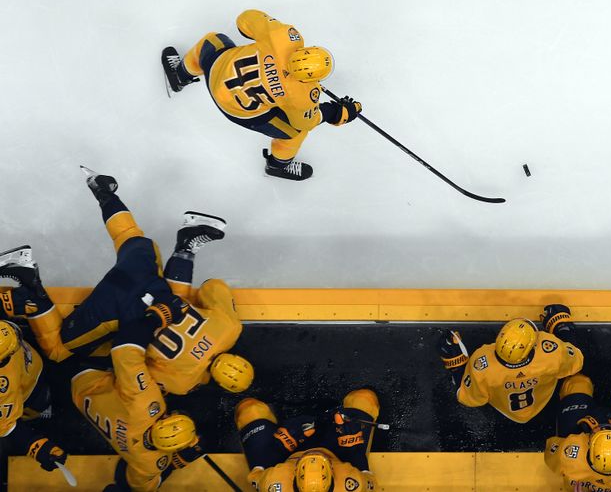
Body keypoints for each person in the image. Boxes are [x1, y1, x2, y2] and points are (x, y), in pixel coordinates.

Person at [1, 168, 253, 395]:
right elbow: (130, 362)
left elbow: (212, 286)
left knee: (129, 237)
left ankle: (104, 191)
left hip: (147, 278)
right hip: (118, 309)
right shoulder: (183, 382)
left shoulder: (230, 329)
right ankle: (29, 284)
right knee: (57, 350)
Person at [162, 9, 363, 181]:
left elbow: (244, 20)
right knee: (294, 132)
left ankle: (180, 76)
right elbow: (307, 122)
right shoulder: (303, 94)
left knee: (212, 40)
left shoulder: (283, 37)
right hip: (237, 110)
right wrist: (337, 113)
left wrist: (267, 34)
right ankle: (278, 165)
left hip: (218, 69)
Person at [70, 314, 204, 491]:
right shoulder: (152, 463)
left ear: (164, 420)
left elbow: (124, 348)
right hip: (79, 400)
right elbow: (132, 484)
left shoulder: (145, 402)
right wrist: (173, 464)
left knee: (160, 369)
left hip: (86, 374)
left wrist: (157, 317)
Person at [438, 304, 584, 423]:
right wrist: (560, 325)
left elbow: (467, 397)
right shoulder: (551, 352)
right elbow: (576, 360)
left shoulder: (482, 364)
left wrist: (456, 365)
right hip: (545, 400)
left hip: (503, 408)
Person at [235, 389, 380, 491]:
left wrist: (281, 446)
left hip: (287, 455)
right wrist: (352, 446)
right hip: (335, 453)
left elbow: (255, 476)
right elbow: (371, 482)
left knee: (248, 409)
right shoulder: (352, 484)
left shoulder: (273, 483)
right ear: (331, 475)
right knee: (364, 399)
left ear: (296, 476)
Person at [0, 292, 67, 477]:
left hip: (33, 370)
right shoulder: (3, 388)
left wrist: (10, 299)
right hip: (30, 392)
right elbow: (7, 427)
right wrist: (40, 448)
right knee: (39, 406)